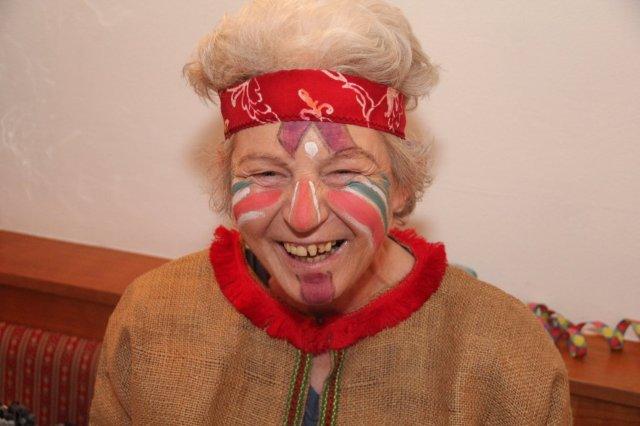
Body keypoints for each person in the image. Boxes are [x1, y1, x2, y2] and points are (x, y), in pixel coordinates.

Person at [89, 1, 572, 424]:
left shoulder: (506, 353)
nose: (304, 218)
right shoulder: (152, 316)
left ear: (401, 186)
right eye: (266, 173)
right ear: (226, 183)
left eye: (345, 172)